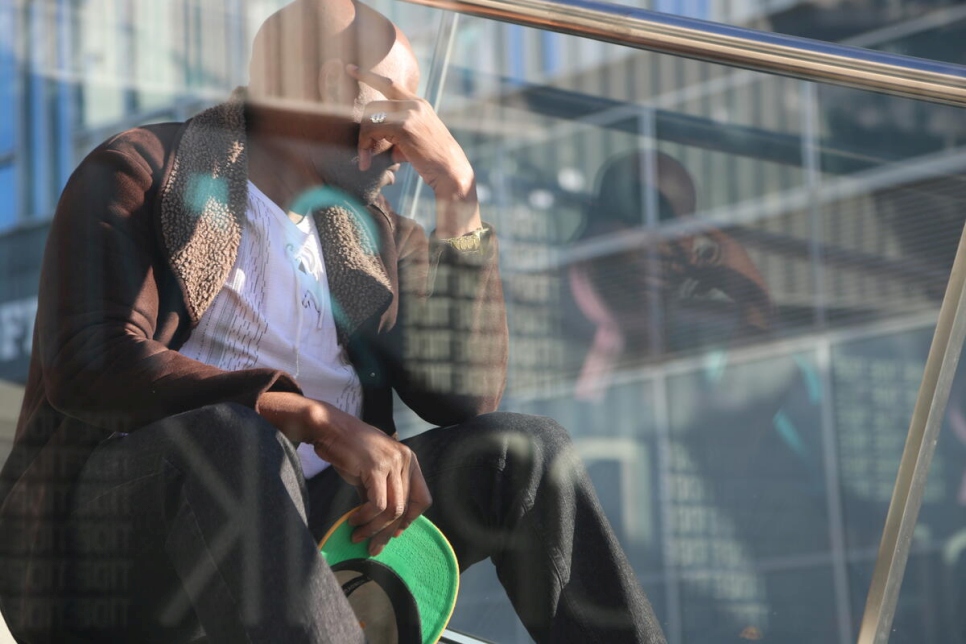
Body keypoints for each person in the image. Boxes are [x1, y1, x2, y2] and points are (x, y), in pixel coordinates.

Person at [0, 1, 666, 642]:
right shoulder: (147, 168)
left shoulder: (375, 236)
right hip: (126, 543)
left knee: (525, 452)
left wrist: (458, 197)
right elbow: (88, 361)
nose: (409, 142)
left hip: (314, 531)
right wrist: (311, 417)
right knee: (232, 436)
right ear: (334, 87)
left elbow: (463, 399)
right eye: (399, 109)